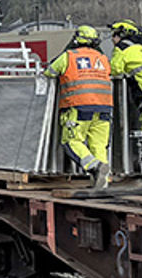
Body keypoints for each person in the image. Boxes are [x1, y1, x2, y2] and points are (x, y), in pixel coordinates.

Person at [47, 26, 112, 185]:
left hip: (79, 107)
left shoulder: (69, 56)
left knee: (71, 141)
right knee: (99, 145)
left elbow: (49, 72)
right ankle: (103, 179)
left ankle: (94, 167)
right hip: (104, 107)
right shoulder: (102, 58)